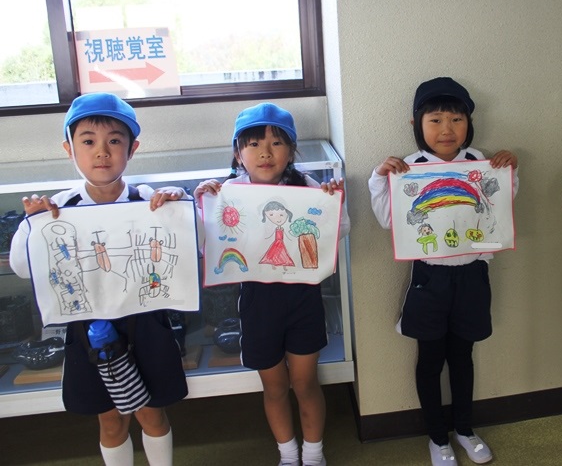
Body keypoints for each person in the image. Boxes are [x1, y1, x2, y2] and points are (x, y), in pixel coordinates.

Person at [9, 92, 190, 466]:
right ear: (69, 149)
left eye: (114, 141)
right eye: (88, 141)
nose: (102, 152)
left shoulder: (149, 199)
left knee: (151, 412)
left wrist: (180, 203)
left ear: (132, 149)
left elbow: (192, 245)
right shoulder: (57, 208)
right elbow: (22, 267)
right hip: (87, 326)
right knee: (110, 419)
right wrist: (32, 225)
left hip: (145, 321)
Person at [368, 77, 518, 466]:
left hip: (472, 275)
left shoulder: (480, 162)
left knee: (463, 356)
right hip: (429, 277)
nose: (446, 129)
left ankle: (464, 429)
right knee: (430, 358)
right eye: (435, 120)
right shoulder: (409, 168)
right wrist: (380, 178)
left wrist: (507, 172)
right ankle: (438, 438)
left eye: (456, 119)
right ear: (417, 124)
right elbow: (389, 220)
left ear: (469, 123)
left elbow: (499, 211)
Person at [194, 103, 349, 466]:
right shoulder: (227, 191)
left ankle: (314, 455)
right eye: (253, 144)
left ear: (291, 151)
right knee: (275, 386)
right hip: (258, 301)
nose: (265, 153)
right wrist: (201, 204)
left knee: (306, 383)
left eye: (277, 143)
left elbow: (338, 233)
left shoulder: (306, 186)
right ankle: (288, 455)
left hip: (303, 298)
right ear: (238, 153)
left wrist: (333, 204)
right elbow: (207, 244)